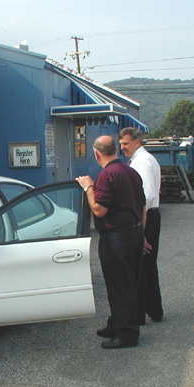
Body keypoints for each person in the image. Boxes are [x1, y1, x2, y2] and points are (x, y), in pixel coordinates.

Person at [76, 135, 146, 349]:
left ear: (96, 154)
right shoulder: (131, 172)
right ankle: (117, 323)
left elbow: (99, 209)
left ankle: (127, 335)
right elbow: (143, 205)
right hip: (134, 233)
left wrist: (89, 187)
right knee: (129, 283)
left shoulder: (107, 176)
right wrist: (141, 233)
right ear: (116, 149)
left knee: (119, 286)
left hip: (117, 237)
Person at [119, 127, 163, 324]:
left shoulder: (143, 162)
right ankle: (152, 309)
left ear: (137, 142)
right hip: (145, 215)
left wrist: (141, 231)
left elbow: (147, 195)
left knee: (142, 265)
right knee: (145, 265)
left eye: (126, 143)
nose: (123, 147)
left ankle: (146, 311)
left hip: (146, 216)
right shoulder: (138, 160)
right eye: (121, 144)